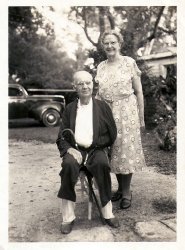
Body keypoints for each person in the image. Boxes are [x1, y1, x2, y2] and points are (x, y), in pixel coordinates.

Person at [56, 70, 120, 234]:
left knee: (102, 165)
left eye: (88, 82)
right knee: (68, 166)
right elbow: (61, 136)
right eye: (80, 83)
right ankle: (68, 218)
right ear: (74, 87)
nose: (85, 86)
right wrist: (70, 149)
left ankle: (108, 214)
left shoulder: (102, 107)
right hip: (76, 150)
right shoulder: (70, 109)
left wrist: (95, 145)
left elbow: (112, 134)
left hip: (96, 148)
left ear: (93, 84)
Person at [95, 30, 146, 209]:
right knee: (113, 151)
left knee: (126, 151)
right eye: (106, 43)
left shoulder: (129, 63)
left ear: (119, 44)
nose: (109, 46)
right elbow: (98, 93)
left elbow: (139, 91)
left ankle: (126, 192)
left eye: (113, 42)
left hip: (127, 111)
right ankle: (119, 188)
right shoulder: (101, 66)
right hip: (107, 112)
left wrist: (141, 116)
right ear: (103, 46)